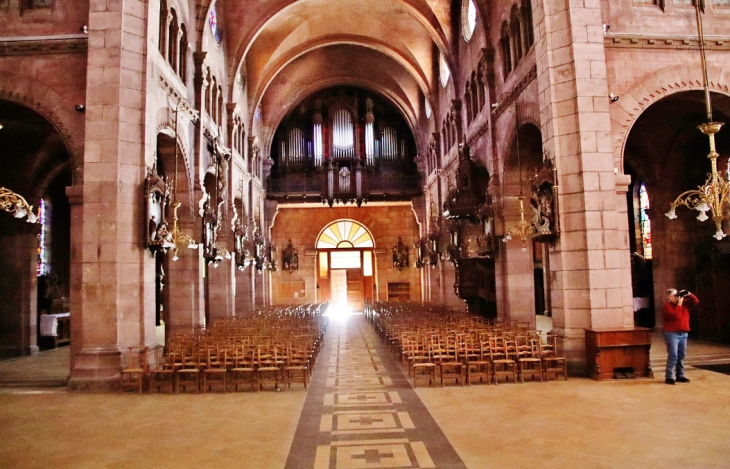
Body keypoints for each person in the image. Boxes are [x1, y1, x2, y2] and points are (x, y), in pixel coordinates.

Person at [662, 288, 699, 385]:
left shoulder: (683, 303)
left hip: (683, 333)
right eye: (675, 295)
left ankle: (680, 375)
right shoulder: (667, 306)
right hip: (671, 333)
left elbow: (695, 301)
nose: (677, 297)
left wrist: (689, 294)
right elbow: (676, 316)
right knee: (673, 355)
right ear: (669, 296)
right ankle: (669, 377)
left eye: (677, 295)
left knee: (681, 355)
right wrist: (679, 304)